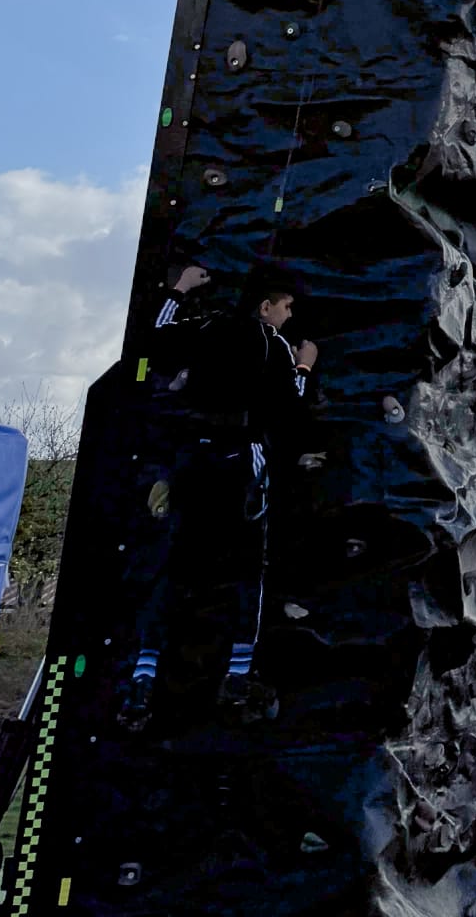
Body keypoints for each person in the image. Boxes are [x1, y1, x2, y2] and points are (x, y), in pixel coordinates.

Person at [119, 265, 318, 730]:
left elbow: (156, 336)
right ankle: (236, 677)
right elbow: (291, 408)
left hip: (191, 460)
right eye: (286, 306)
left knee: (173, 565)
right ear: (266, 306)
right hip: (238, 463)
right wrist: (305, 364)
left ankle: (143, 679)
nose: (289, 315)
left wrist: (180, 287)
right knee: (249, 568)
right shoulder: (273, 343)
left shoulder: (205, 327)